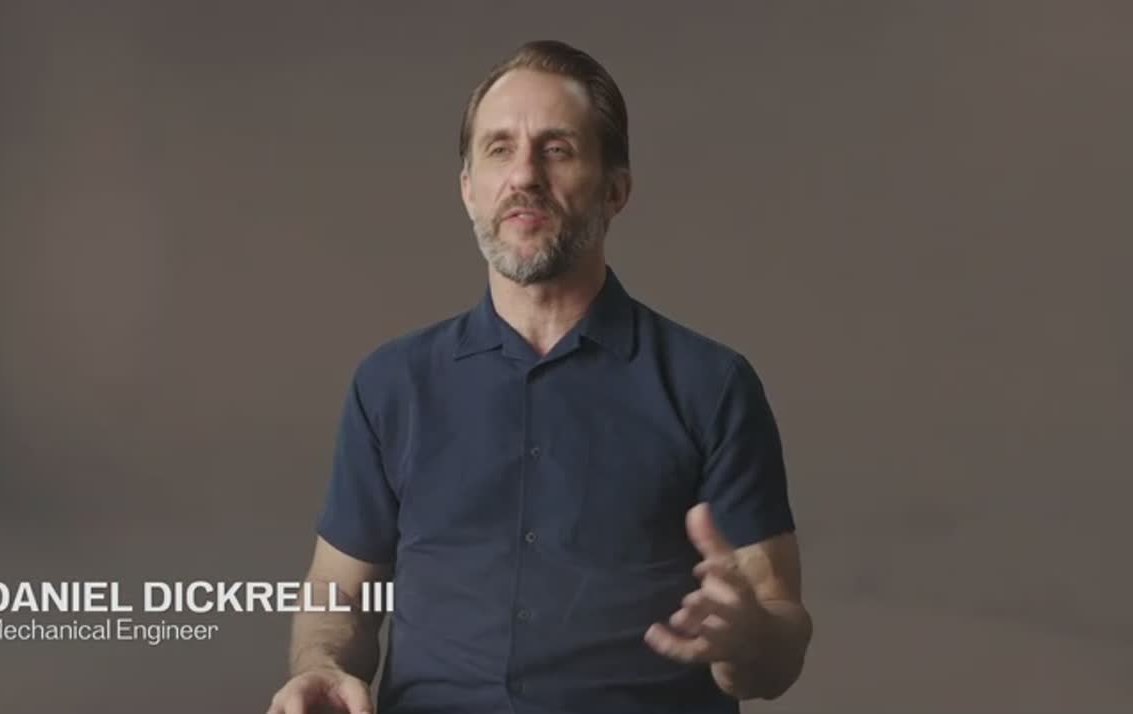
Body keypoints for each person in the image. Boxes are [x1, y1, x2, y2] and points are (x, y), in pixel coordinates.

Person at [266, 40, 812, 714]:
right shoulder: (390, 385)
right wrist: (320, 666)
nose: (524, 174)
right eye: (499, 149)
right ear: (468, 189)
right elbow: (337, 596)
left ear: (615, 190)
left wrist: (749, 637)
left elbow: (779, 633)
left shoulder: (712, 387)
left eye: (557, 149)